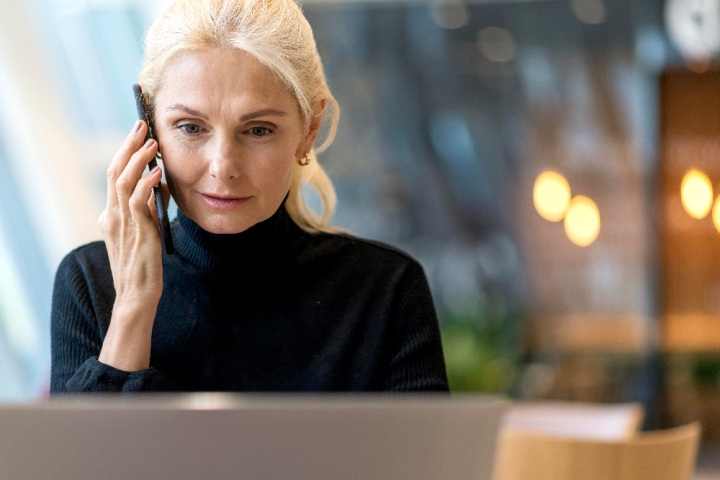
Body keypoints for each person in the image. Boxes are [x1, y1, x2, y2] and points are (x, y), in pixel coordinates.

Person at [50, 0, 449, 394]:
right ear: (151, 129)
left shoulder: (387, 292)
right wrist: (133, 306)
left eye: (259, 130)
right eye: (190, 127)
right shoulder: (89, 283)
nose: (223, 166)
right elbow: (81, 461)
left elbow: (426, 461)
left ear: (308, 130)